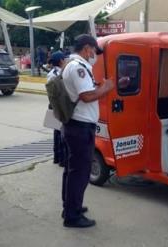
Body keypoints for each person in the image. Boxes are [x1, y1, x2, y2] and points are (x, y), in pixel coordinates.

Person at [61, 34, 114, 228]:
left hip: (76, 125)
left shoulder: (74, 66)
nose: (96, 56)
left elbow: (87, 92)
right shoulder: (79, 68)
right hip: (80, 127)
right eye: (95, 51)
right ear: (87, 48)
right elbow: (87, 96)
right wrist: (106, 88)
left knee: (72, 170)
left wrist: (101, 87)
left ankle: (70, 206)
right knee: (80, 173)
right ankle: (72, 216)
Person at [46, 51, 68, 167]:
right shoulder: (59, 73)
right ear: (61, 61)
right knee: (62, 133)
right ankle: (63, 160)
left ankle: (57, 157)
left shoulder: (51, 73)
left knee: (57, 132)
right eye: (64, 59)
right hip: (59, 106)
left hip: (53, 105)